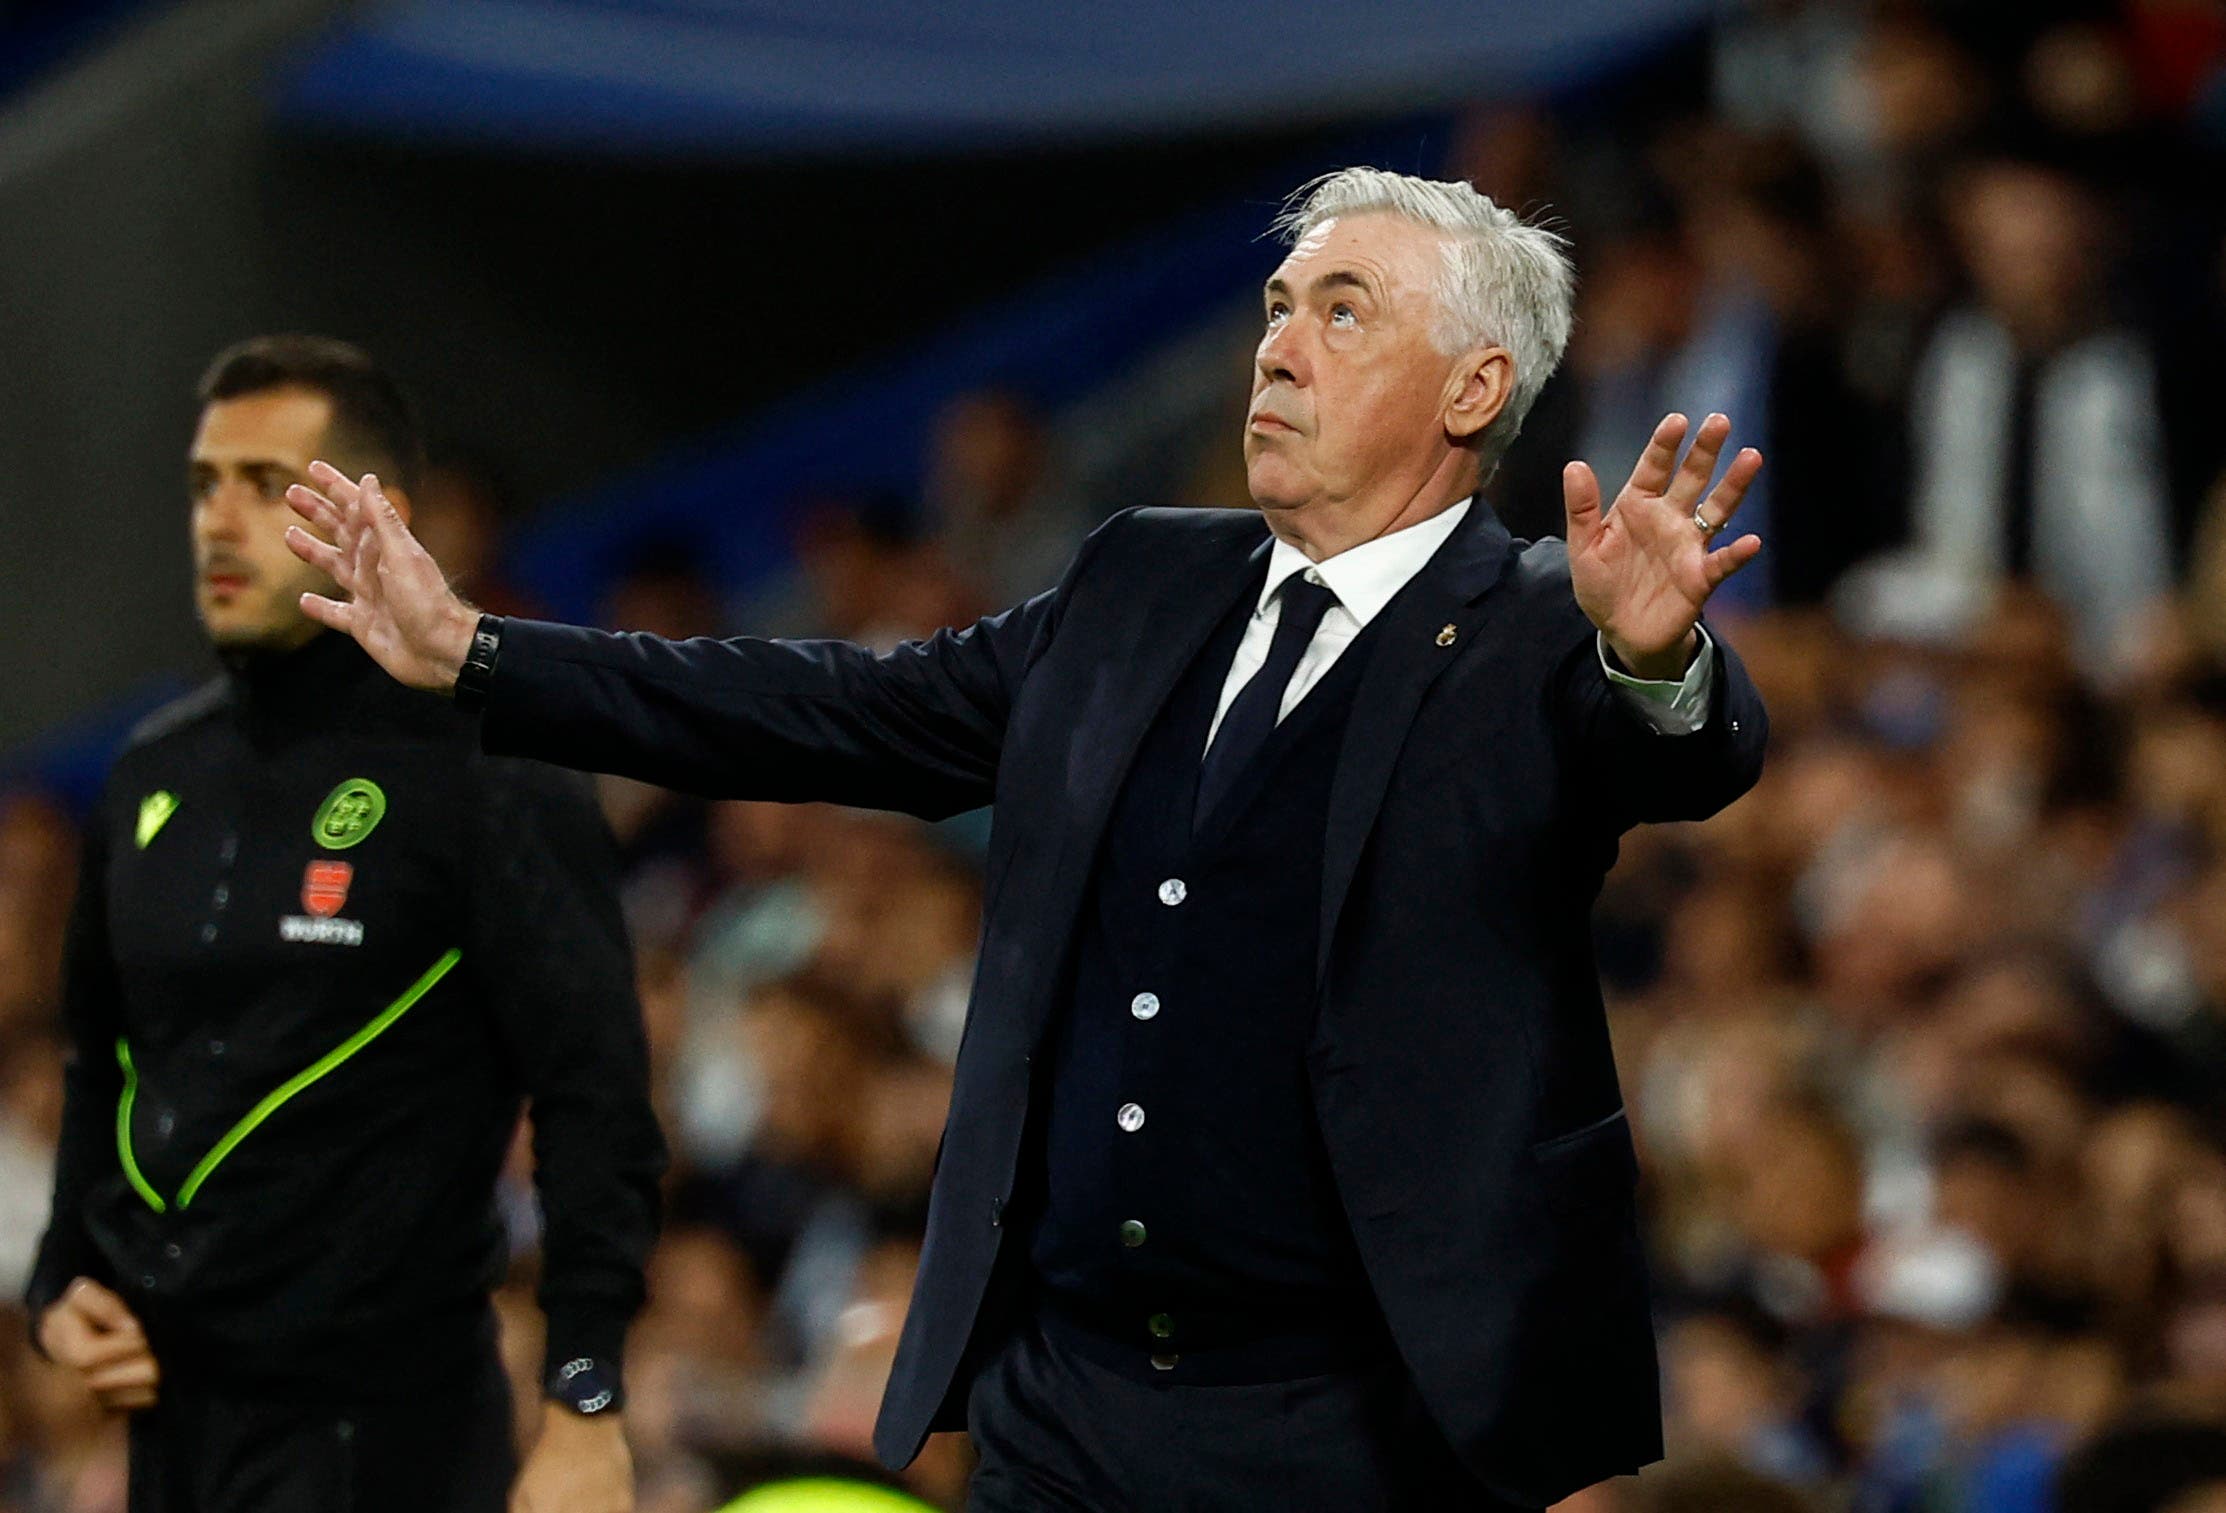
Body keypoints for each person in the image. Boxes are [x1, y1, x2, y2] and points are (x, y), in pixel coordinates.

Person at [286, 169, 1771, 1510]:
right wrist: (479, 653)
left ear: (1473, 389)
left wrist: (1651, 658)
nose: (1276, 344)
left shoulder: (1532, 625)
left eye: (1340, 310)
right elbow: (833, 707)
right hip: (1068, 1404)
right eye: (1274, 305)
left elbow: (1676, 749)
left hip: (1369, 1422)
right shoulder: (1139, 579)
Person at [27, 335, 666, 1513]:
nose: (219, 521)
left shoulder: (492, 766)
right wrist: (63, 1280)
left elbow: (597, 1102)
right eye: (203, 484)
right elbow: (101, 1058)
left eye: (268, 485)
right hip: (173, 1431)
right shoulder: (148, 772)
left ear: (382, 518)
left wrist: (587, 1402)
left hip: (390, 1436)